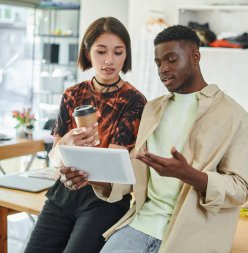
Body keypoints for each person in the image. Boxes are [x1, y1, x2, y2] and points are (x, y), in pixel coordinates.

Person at [71, 24, 248, 253]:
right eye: (158, 63)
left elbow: (241, 189)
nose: (163, 69)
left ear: (195, 56)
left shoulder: (236, 117)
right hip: (140, 226)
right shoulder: (152, 109)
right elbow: (134, 173)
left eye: (171, 59)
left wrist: (189, 175)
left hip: (192, 237)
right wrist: (92, 176)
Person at [25, 17, 146, 253]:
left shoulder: (135, 101)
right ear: (88, 52)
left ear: (126, 55)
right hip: (62, 193)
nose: (109, 60)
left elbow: (115, 167)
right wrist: (65, 145)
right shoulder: (73, 94)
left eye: (118, 52)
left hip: (103, 201)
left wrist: (71, 160)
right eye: (101, 51)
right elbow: (55, 156)